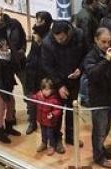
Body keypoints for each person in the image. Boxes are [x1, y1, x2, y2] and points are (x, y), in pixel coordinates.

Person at [82, 27, 111, 169]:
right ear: (96, 40)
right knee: (99, 129)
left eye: (109, 42)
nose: (107, 45)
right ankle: (98, 156)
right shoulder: (91, 56)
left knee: (107, 127)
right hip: (99, 99)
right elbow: (93, 74)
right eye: (103, 42)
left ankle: (101, 148)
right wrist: (106, 61)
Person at [40, 21, 86, 153]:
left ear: (69, 32)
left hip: (74, 79)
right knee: (57, 112)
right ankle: (56, 140)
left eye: (62, 38)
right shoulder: (48, 42)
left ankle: (71, 137)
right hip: (57, 81)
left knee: (72, 109)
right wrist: (59, 85)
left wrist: (80, 69)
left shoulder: (79, 35)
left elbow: (86, 54)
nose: (59, 41)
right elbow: (47, 65)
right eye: (57, 38)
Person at [0, 5, 26, 137]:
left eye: (1, 14)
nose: (0, 17)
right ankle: (0, 131)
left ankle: (9, 125)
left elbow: (23, 39)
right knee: (1, 105)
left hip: (13, 65)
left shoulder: (14, 24)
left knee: (11, 102)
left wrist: (21, 52)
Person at [23, 11, 53, 135]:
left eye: (40, 21)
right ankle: (32, 122)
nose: (37, 23)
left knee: (46, 102)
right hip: (32, 73)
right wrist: (28, 63)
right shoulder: (36, 34)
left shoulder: (50, 37)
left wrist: (40, 43)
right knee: (31, 100)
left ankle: (47, 125)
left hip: (44, 75)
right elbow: (32, 53)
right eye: (37, 20)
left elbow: (48, 56)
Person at [33, 77, 63, 156]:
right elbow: (33, 98)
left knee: (50, 134)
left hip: (50, 122)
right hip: (42, 120)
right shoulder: (39, 96)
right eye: (44, 89)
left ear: (52, 90)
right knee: (43, 133)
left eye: (47, 89)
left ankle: (52, 146)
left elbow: (58, 109)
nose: (45, 92)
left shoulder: (54, 99)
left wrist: (52, 114)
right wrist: (33, 97)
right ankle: (44, 143)